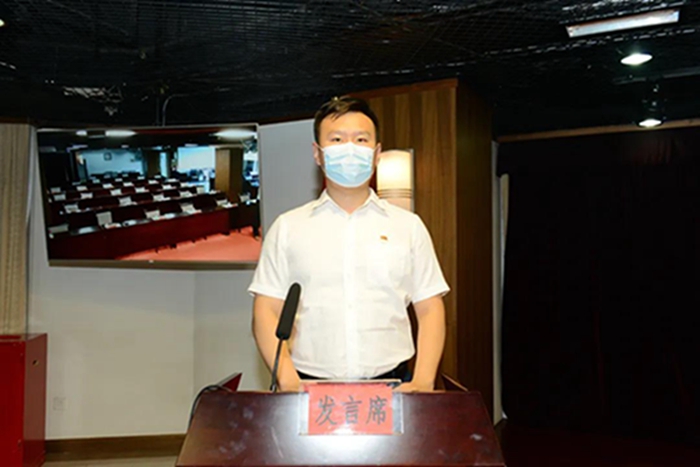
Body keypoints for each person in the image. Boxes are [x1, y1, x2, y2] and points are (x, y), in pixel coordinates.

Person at [248, 96, 449, 392]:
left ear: (376, 153)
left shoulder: (409, 226)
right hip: (307, 388)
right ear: (317, 154)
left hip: (394, 386)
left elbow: (430, 307)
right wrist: (287, 379)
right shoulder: (288, 227)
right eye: (337, 139)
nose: (350, 149)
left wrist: (423, 380)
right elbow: (266, 309)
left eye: (361, 139)